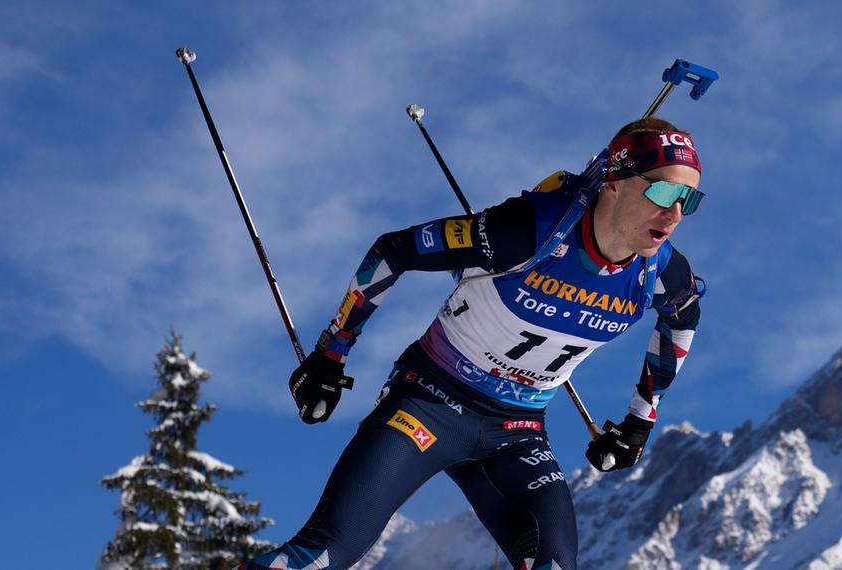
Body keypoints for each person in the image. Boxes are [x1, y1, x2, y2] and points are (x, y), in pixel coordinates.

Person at [243, 117, 705, 570]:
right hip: (428, 403)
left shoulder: (660, 272)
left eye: (688, 198)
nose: (675, 212)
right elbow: (394, 250)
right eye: (662, 191)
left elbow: (682, 321)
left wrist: (638, 424)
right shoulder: (528, 233)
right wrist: (331, 354)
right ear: (614, 182)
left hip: (518, 431)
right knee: (325, 554)